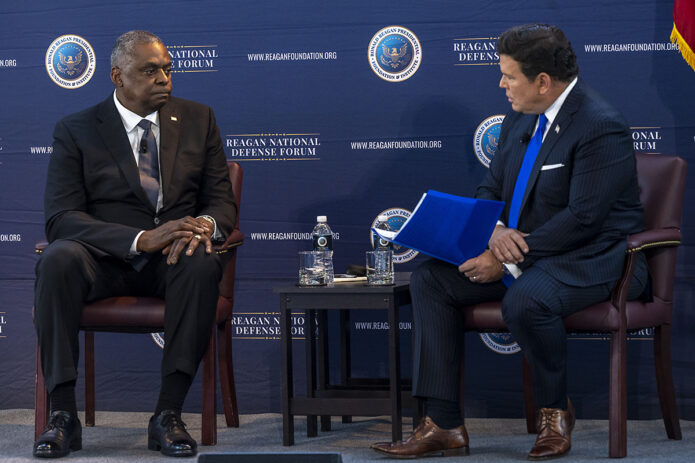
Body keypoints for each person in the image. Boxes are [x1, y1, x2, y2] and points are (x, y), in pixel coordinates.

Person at [371, 24, 648, 460]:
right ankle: (443, 424)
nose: (501, 84)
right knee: (430, 279)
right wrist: (493, 232)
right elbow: (489, 190)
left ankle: (554, 413)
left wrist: (507, 262)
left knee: (525, 301)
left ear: (543, 81)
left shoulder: (600, 125)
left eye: (509, 75)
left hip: (595, 258)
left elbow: (584, 218)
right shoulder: (520, 117)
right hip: (528, 255)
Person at [33, 30, 237, 458]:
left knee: (200, 262)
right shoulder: (77, 130)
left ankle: (168, 415)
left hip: (174, 261)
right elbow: (61, 217)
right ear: (117, 77)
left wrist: (202, 225)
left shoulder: (199, 119)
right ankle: (63, 416)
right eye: (150, 70)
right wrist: (141, 239)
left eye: (167, 69)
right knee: (57, 259)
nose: (164, 78)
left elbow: (220, 200)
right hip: (103, 261)